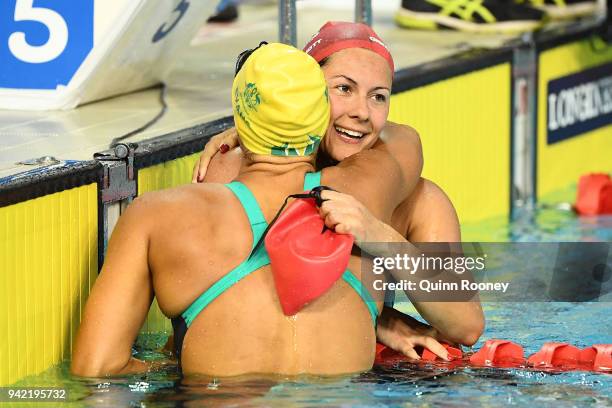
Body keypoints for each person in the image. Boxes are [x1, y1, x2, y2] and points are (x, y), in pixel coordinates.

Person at [71, 42, 415, 377]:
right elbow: (467, 324)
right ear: (323, 116)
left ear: (240, 118)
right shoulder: (371, 193)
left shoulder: (155, 215)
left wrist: (191, 368)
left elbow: (98, 368)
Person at [192, 21, 485, 357]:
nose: (361, 112)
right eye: (344, 89)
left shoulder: (420, 201)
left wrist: (376, 233)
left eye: (378, 97)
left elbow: (467, 325)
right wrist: (378, 318)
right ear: (308, 95)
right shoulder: (238, 171)